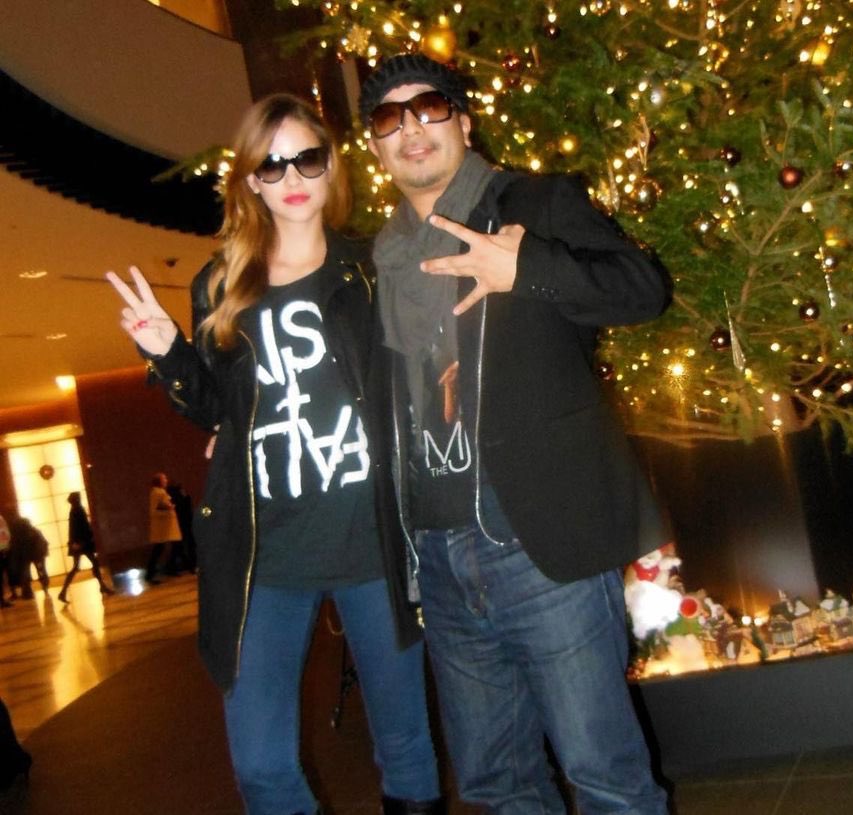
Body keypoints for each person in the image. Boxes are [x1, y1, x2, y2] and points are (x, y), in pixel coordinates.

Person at [106, 93, 441, 815]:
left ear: (330, 167)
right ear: (251, 180)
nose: (291, 176)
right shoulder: (220, 284)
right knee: (261, 768)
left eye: (306, 158)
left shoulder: (372, 266)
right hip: (265, 550)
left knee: (406, 745)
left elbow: (416, 377)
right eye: (272, 163)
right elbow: (214, 409)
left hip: (373, 540)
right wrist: (167, 351)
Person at [360, 54, 672, 814]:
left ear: (464, 122)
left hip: (537, 537)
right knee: (496, 783)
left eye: (429, 107)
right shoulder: (380, 258)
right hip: (438, 549)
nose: (411, 128)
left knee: (605, 775)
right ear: (375, 145)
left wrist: (526, 266)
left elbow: (642, 290)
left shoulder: (532, 201)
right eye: (389, 118)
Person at [58, 492, 114, 603]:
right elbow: (83, 527)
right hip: (83, 543)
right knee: (93, 563)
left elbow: (74, 529)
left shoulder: (74, 510)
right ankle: (102, 586)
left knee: (77, 567)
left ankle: (63, 592)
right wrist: (89, 537)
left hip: (78, 543)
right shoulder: (78, 510)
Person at [145, 472, 182, 584]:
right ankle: (151, 573)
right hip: (163, 527)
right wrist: (168, 509)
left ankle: (168, 568)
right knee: (159, 549)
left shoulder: (159, 492)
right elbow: (155, 510)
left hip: (166, 526)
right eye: (164, 479)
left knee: (167, 547)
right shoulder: (157, 493)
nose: (166, 480)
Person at [7, 514, 49, 600]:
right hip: (38, 555)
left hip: (26, 556)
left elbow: (16, 547)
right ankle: (45, 589)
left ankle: (27, 592)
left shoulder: (18, 535)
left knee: (25, 574)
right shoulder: (35, 531)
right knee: (42, 572)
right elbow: (43, 543)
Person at [0, 511, 12, 608]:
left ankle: (3, 599)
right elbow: (5, 534)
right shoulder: (0, 519)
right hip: (2, 551)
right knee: (2, 577)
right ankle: (3, 600)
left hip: (2, 550)